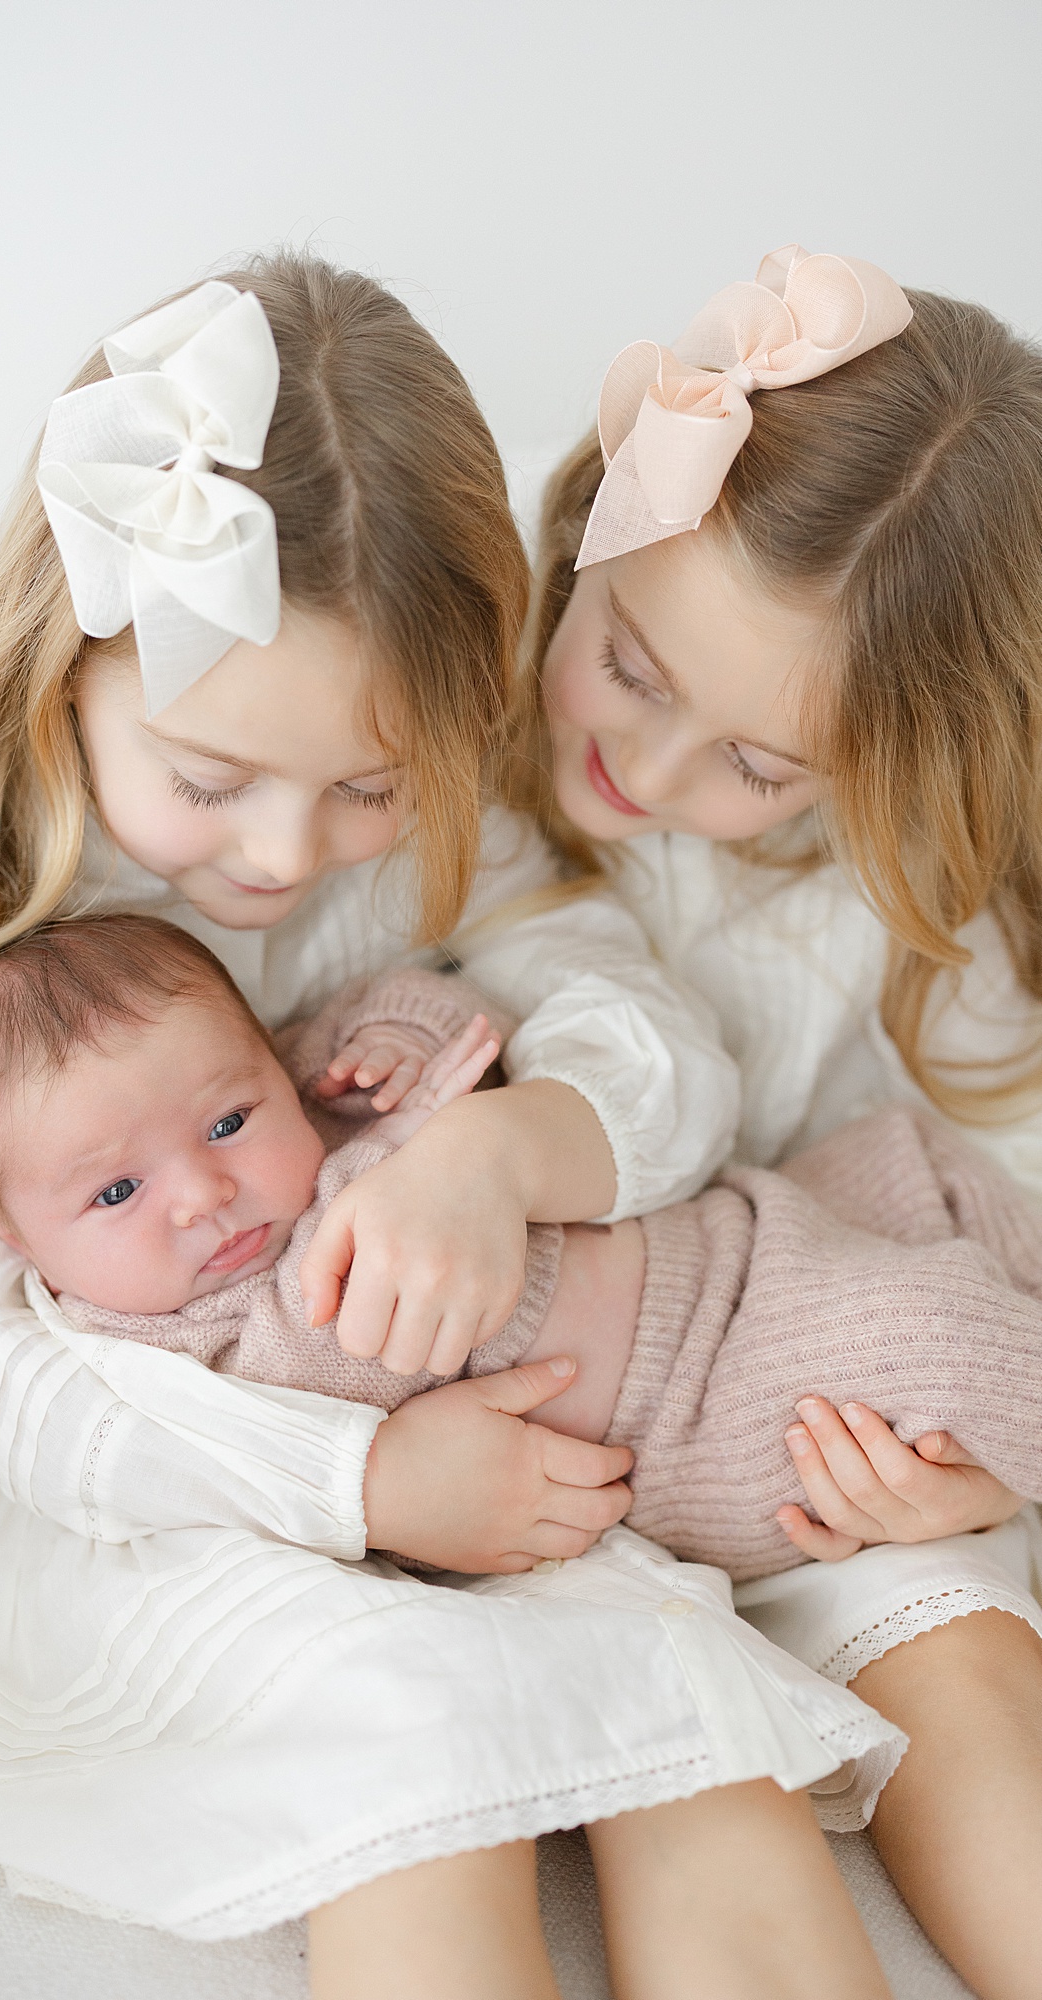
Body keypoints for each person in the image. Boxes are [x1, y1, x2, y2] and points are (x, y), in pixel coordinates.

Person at [0, 253, 894, 1999]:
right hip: (144, 1492)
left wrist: (498, 1151)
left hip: (456, 1420)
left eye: (368, 784)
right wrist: (358, 1486)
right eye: (212, 781)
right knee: (417, 1757)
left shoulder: (433, 859)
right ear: (62, 666)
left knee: (694, 1747)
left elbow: (658, 1047)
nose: (288, 856)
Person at [515, 241, 1042, 2000]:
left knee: (961, 1659)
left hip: (808, 1422)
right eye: (633, 666)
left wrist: (968, 1470)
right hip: (533, 1435)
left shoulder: (924, 915)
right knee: (682, 1765)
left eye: (756, 765)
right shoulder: (428, 766)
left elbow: (1004, 1205)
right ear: (592, 530)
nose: (653, 779)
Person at [0, 913, 1042, 1587]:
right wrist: (395, 1158)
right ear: (17, 1238)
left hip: (734, 1239)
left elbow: (433, 1006)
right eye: (118, 1189)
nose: (206, 1192)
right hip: (699, 1409)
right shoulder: (177, 1351)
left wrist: (392, 1046)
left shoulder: (311, 1094)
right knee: (941, 1336)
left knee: (915, 1165)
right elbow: (317, 1382)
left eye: (227, 1120)